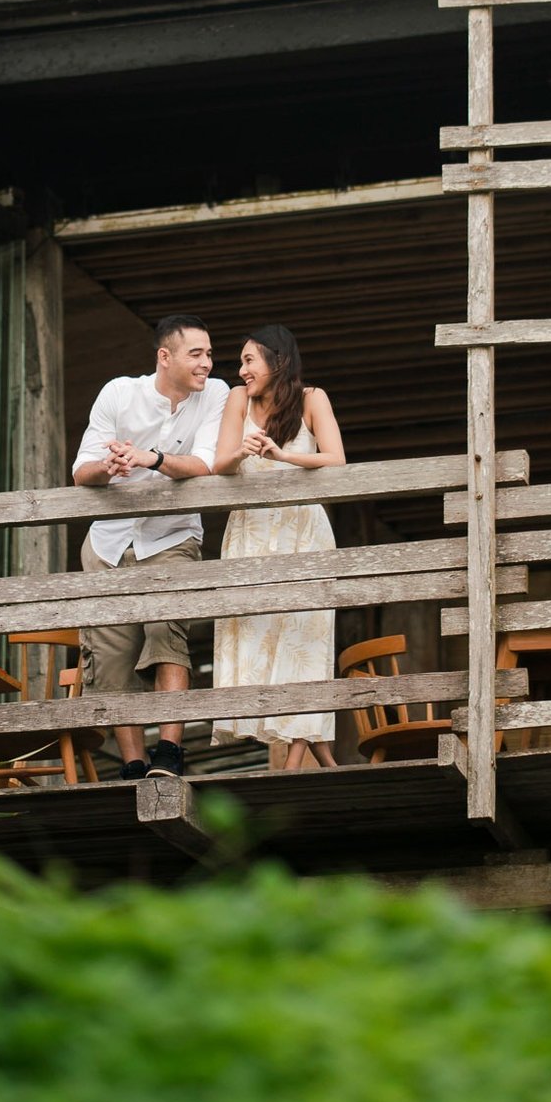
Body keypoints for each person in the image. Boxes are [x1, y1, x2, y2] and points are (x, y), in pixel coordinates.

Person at [72, 314, 228, 781]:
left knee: (167, 634)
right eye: (195, 354)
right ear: (165, 357)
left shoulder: (215, 394)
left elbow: (205, 463)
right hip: (108, 542)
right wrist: (112, 465)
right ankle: (134, 764)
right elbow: (81, 471)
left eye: (209, 353)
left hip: (172, 537)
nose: (206, 363)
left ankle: (170, 754)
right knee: (111, 656)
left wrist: (151, 459)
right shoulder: (119, 392)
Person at [209, 324, 345, 770]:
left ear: (278, 361)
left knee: (303, 637)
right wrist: (244, 452)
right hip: (251, 531)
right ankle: (315, 755)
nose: (242, 369)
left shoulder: (312, 399)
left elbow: (337, 460)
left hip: (302, 529)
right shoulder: (237, 399)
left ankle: (295, 760)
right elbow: (220, 464)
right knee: (253, 633)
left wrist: (283, 456)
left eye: (250, 360)